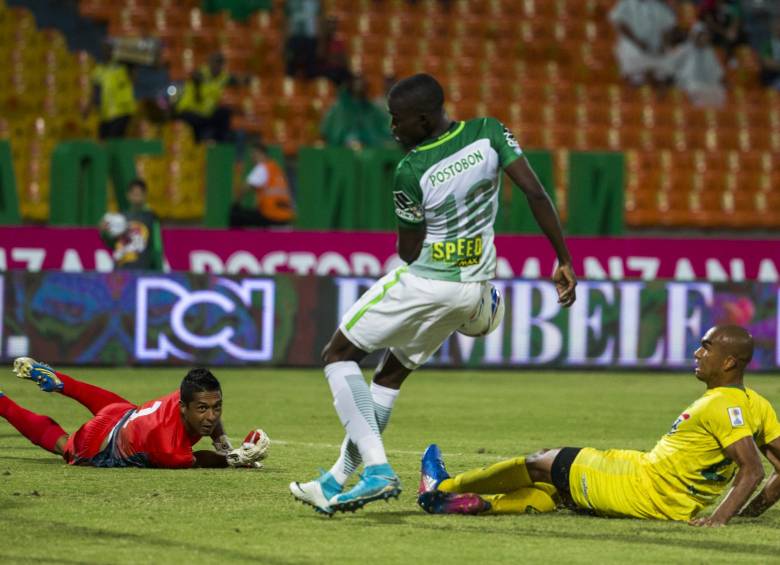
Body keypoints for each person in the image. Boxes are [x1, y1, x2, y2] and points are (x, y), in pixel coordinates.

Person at [289, 73, 577, 515]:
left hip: (427, 282)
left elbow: (408, 251)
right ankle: (333, 481)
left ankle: (378, 470)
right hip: (470, 291)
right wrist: (563, 258)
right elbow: (536, 193)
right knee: (389, 376)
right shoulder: (489, 132)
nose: (392, 128)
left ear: (423, 120)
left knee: (337, 354)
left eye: (397, 119)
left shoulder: (411, 169)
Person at [417, 325, 780, 527]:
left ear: (729, 362)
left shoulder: (721, 404)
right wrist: (748, 514)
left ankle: (444, 485)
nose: (698, 353)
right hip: (661, 493)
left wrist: (719, 520)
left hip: (641, 487)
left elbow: (752, 469)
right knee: (557, 491)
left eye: (707, 347)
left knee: (544, 461)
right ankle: (479, 505)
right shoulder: (757, 405)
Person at [0, 358, 270, 469]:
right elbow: (198, 459)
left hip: (124, 412)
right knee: (62, 444)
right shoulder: (170, 450)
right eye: (203, 409)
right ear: (183, 407)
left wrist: (224, 445)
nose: (211, 416)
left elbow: (208, 404)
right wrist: (233, 460)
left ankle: (61, 382)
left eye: (217, 407)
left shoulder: (186, 394)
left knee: (114, 405)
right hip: (99, 444)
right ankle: (3, 403)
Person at [609, 0, 679, 86]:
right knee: (632, 57)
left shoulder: (658, 4)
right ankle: (640, 78)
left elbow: (668, 26)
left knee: (667, 65)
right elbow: (619, 23)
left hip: (655, 47)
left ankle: (654, 78)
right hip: (633, 45)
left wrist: (663, 45)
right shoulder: (626, 3)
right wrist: (637, 42)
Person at [175, 53, 242, 143]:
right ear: (209, 63)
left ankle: (219, 143)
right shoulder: (199, 74)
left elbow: (234, 80)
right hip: (189, 110)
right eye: (215, 62)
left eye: (219, 63)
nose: (216, 66)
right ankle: (197, 143)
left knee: (225, 112)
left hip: (206, 113)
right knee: (196, 123)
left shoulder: (223, 77)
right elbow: (200, 95)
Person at [99, 178, 164, 271]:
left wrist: (159, 270)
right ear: (128, 195)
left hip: (142, 269)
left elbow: (157, 246)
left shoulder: (151, 217)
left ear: (145, 195)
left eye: (139, 194)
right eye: (134, 194)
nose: (136, 197)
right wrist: (104, 232)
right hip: (121, 269)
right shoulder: (120, 217)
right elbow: (112, 243)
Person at [229, 141, 296, 228]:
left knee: (235, 215)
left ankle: (236, 237)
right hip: (286, 216)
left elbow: (244, 189)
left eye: (253, 154)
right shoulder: (276, 168)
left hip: (271, 215)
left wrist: (236, 203)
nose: (252, 157)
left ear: (260, 153)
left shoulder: (262, 167)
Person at [321, 74, 396, 149]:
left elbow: (383, 132)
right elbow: (332, 133)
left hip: (372, 150)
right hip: (341, 151)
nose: (358, 86)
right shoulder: (339, 109)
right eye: (356, 84)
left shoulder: (372, 110)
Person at [84, 41, 137, 140]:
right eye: (104, 49)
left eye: (109, 49)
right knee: (103, 141)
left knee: (114, 141)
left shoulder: (122, 66)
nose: (106, 52)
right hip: (106, 113)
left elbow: (133, 78)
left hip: (122, 111)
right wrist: (88, 108)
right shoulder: (98, 70)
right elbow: (95, 91)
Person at [670, 22, 726, 107]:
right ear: (694, 36)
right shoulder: (684, 49)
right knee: (695, 90)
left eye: (705, 35)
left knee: (720, 91)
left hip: (708, 85)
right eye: (701, 35)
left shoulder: (709, 52)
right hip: (689, 85)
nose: (704, 38)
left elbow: (717, 72)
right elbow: (672, 66)